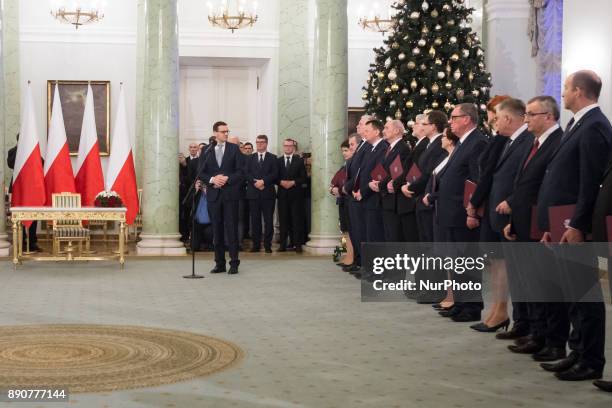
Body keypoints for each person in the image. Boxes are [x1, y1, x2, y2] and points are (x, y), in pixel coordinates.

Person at [537, 70, 611, 381]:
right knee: (572, 292)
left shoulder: (595, 126)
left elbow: (589, 181)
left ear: (579, 91)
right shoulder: (579, 123)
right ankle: (577, 351)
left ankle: (591, 359)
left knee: (585, 293)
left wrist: (578, 224)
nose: (562, 93)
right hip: (563, 220)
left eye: (566, 88)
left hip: (576, 222)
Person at [502, 96, 563, 359]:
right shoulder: (535, 142)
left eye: (531, 114)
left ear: (549, 117)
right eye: (525, 114)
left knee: (546, 285)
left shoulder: (557, 141)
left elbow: (548, 188)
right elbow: (523, 185)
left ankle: (549, 339)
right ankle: (536, 334)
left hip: (543, 224)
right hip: (525, 221)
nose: (525, 119)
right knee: (532, 282)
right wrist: (513, 221)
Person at [472, 98, 534, 334]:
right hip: (496, 211)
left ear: (508, 118)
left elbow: (524, 178)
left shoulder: (526, 140)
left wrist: (511, 201)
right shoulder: (507, 140)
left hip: (511, 213)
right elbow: (489, 169)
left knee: (516, 271)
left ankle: (518, 320)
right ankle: (500, 313)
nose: (493, 122)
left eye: (496, 117)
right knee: (500, 265)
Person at [434, 103, 488, 323]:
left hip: (463, 212)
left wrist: (472, 211)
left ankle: (472, 307)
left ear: (467, 119)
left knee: (468, 261)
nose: (450, 122)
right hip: (451, 212)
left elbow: (476, 179)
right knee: (457, 261)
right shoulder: (464, 142)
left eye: (454, 117)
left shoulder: (478, 142)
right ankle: (460, 302)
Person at [200, 121, 245, 275]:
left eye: (227, 131)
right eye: (223, 131)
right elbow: (201, 172)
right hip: (214, 196)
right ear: (215, 133)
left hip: (230, 195)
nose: (226, 134)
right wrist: (213, 180)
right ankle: (219, 263)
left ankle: (234, 263)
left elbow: (241, 172)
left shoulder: (234, 149)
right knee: (216, 231)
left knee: (231, 229)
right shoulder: (207, 150)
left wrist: (226, 179)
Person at [404, 110, 449, 243]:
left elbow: (429, 173)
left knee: (430, 241)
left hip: (429, 200)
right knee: (425, 240)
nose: (421, 127)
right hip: (421, 199)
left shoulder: (440, 144)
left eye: (424, 123)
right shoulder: (430, 144)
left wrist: (411, 187)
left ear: (433, 126)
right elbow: (419, 169)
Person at [342, 115, 374, 274]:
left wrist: (349, 187)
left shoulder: (367, 146)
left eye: (361, 124)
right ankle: (358, 261)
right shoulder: (363, 146)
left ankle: (363, 263)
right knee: (355, 231)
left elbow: (363, 173)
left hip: (360, 194)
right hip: (354, 194)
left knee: (362, 231)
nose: (358, 126)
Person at [356, 120, 389, 246]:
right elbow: (362, 172)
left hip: (374, 198)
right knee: (368, 235)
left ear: (376, 132)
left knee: (375, 236)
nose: (364, 133)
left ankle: (375, 264)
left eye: (367, 130)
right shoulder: (371, 148)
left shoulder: (382, 148)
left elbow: (377, 175)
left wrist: (363, 191)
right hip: (367, 197)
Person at [378, 120, 412, 242]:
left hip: (394, 200)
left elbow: (397, 173)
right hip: (386, 198)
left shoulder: (403, 148)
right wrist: (376, 181)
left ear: (397, 130)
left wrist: (380, 184)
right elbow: (385, 170)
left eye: (387, 128)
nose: (383, 131)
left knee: (395, 237)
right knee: (389, 236)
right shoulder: (390, 148)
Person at [7, 134, 40, 252]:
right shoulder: (12, 151)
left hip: (31, 188)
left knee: (33, 216)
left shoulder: (33, 150)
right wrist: (20, 149)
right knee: (19, 215)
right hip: (17, 187)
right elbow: (10, 164)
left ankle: (32, 243)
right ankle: (21, 242)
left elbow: (41, 163)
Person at [245, 135, 278, 253]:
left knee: (268, 220)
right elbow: (246, 173)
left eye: (262, 142)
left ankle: (268, 245)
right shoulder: (249, 158)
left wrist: (263, 181)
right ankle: (256, 245)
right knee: (255, 220)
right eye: (257, 142)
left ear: (266, 143)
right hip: (253, 193)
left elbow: (275, 174)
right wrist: (256, 182)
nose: (259, 144)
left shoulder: (273, 158)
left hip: (268, 193)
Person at [277, 138, 307, 253]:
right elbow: (275, 176)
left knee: (296, 220)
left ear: (293, 147)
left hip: (296, 195)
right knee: (283, 220)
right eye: (286, 145)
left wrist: (293, 182)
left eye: (290, 146)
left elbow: (303, 178)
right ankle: (283, 245)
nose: (288, 147)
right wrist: (280, 182)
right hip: (282, 195)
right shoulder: (278, 161)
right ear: (283, 147)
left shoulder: (299, 161)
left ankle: (297, 244)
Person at [331, 138, 355, 267]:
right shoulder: (344, 165)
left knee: (350, 231)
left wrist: (339, 189)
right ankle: (347, 254)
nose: (344, 153)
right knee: (344, 230)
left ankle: (351, 256)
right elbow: (335, 180)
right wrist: (332, 188)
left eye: (347, 150)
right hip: (342, 200)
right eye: (343, 151)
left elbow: (348, 183)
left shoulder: (352, 165)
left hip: (348, 199)